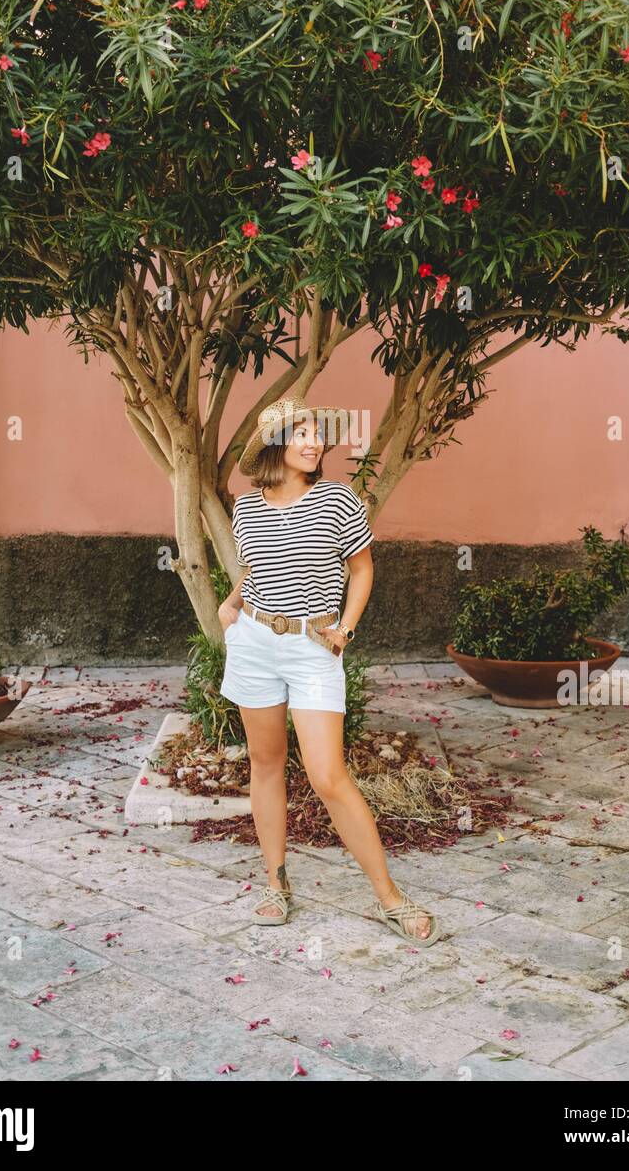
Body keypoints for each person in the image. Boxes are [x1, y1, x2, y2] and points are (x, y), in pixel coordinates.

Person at [218, 396, 442, 946]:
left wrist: (347, 626)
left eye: (317, 434)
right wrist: (230, 605)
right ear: (276, 444)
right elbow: (255, 568)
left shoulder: (339, 500)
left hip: (313, 646)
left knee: (327, 775)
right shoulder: (246, 507)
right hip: (253, 642)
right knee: (266, 765)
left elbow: (361, 569)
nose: (314, 442)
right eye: (301, 433)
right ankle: (275, 883)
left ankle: (390, 897)